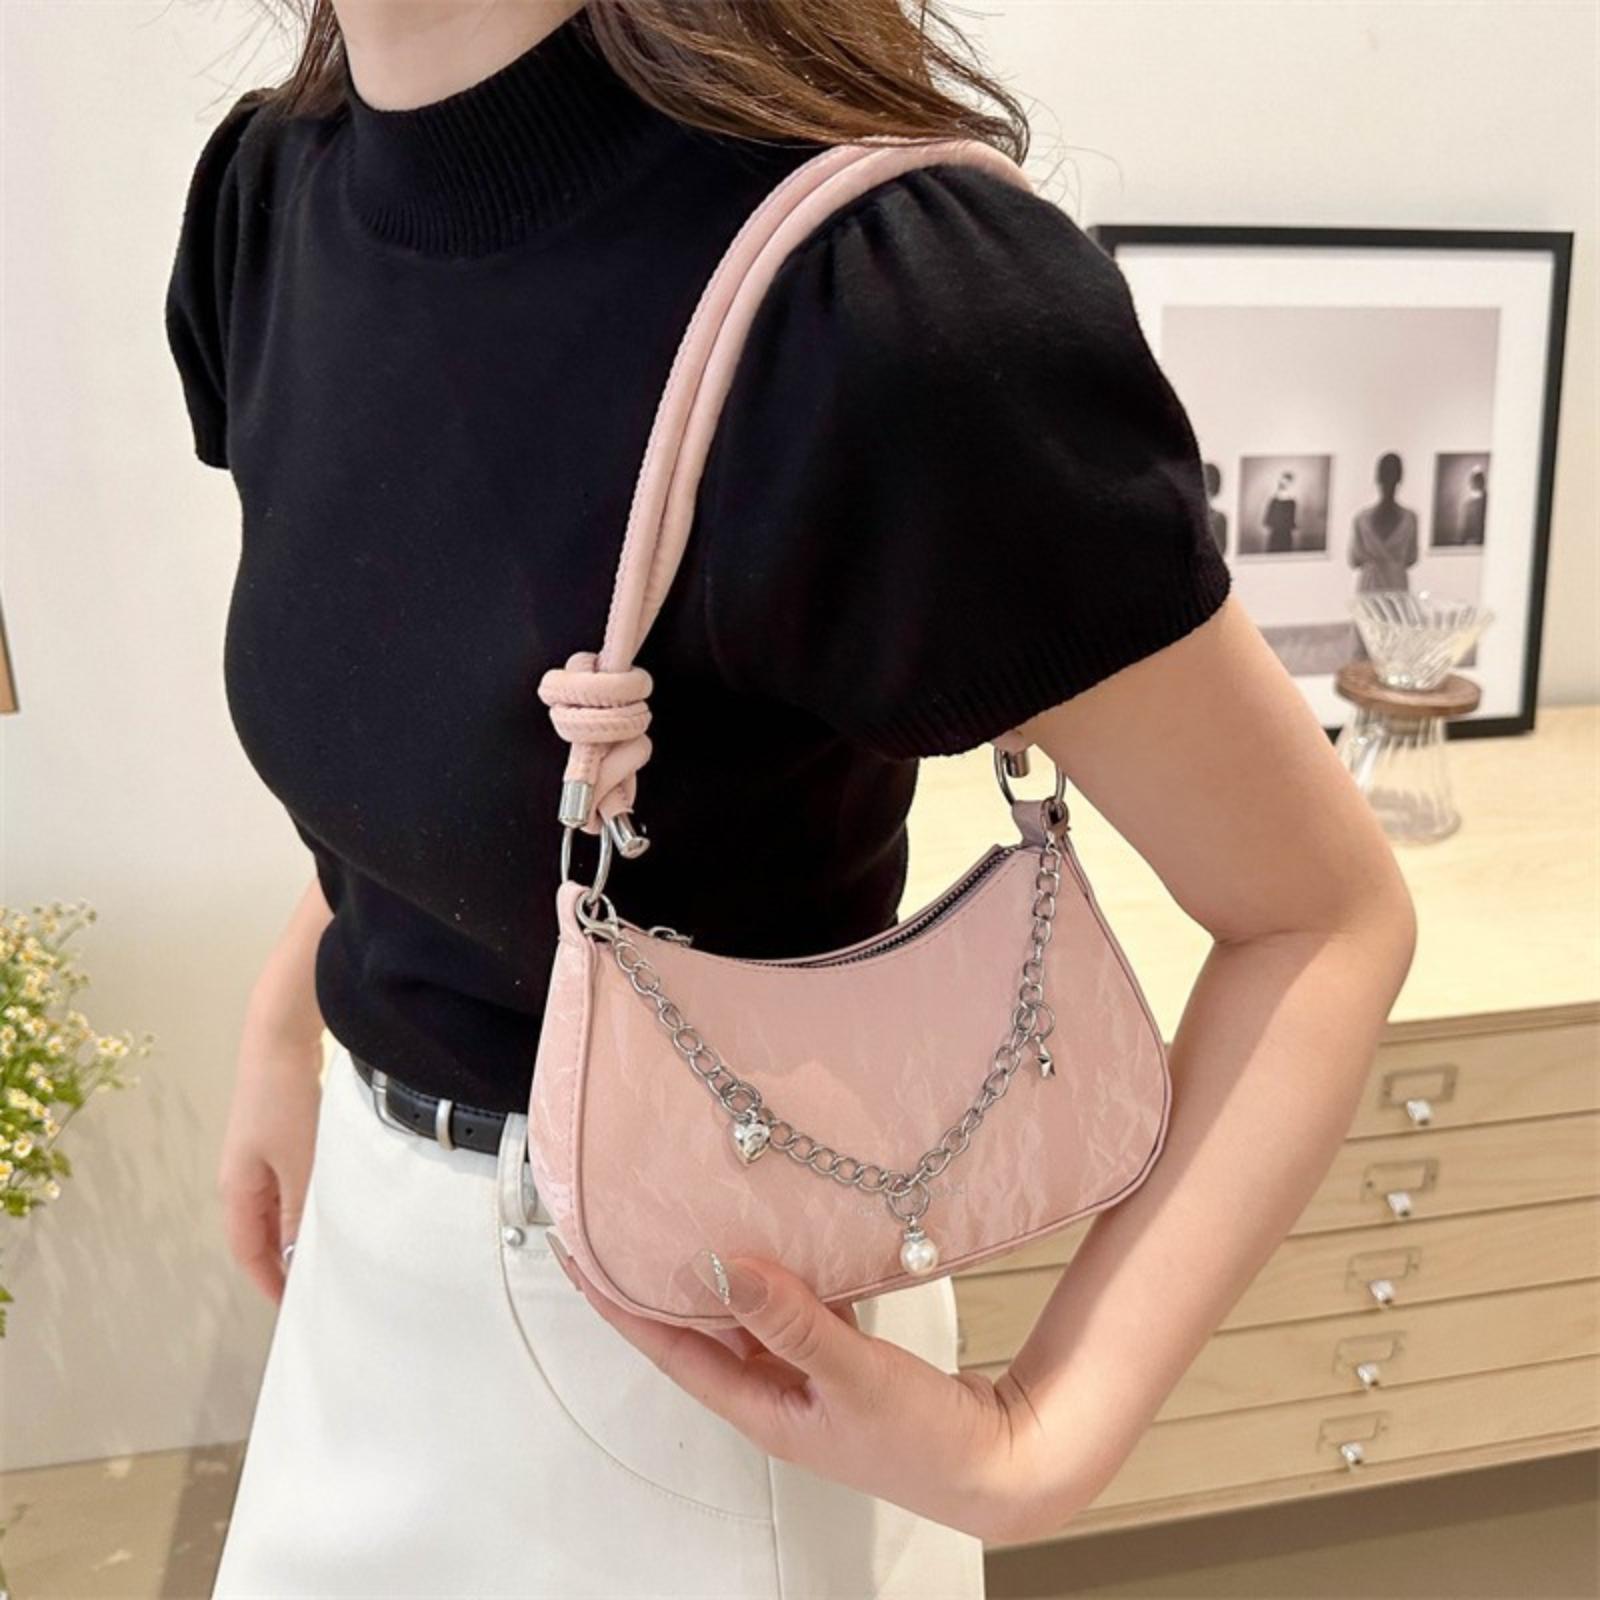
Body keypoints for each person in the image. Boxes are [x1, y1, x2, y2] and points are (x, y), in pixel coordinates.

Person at [164, 2, 1418, 1595]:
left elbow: (1320, 916)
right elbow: (436, 730)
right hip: (365, 1272)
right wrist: (297, 1022)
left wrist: (1046, 1435)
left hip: (684, 1354)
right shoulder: (275, 202)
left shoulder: (870, 306)